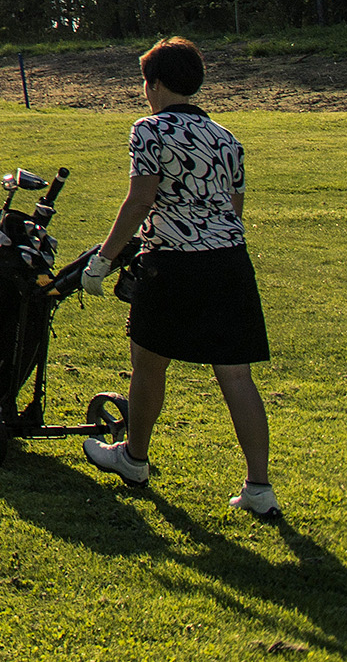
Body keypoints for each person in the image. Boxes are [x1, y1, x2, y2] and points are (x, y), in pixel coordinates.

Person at [80, 36, 278, 519]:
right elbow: (233, 209)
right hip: (230, 263)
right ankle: (259, 487)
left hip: (172, 264)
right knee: (235, 374)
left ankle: (134, 458)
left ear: (156, 83)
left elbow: (140, 200)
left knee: (148, 364)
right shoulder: (228, 138)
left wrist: (102, 260)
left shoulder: (148, 131)